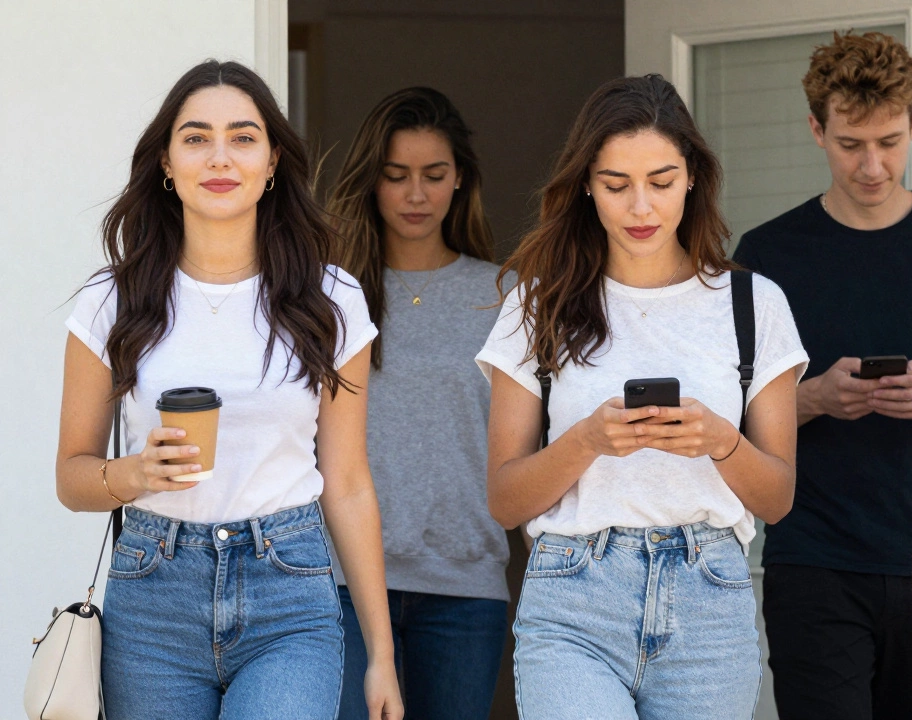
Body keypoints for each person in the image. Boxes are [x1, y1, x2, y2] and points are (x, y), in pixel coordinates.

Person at [55, 60, 402, 720]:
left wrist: (381, 653)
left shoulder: (331, 299)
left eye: (243, 137)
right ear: (165, 162)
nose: (220, 157)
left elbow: (349, 480)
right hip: (152, 597)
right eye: (196, 137)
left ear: (272, 162)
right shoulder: (113, 300)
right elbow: (72, 477)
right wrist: (133, 474)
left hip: (289, 594)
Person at [476, 74, 809, 718]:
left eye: (660, 181)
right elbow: (504, 498)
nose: (640, 208)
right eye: (615, 184)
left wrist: (721, 442)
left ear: (692, 178)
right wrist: (586, 442)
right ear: (586, 187)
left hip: (710, 598)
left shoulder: (753, 305)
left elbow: (777, 497)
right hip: (572, 597)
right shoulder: (537, 305)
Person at [732, 31, 912, 719]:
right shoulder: (767, 256)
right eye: (851, 144)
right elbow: (724, 421)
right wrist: (813, 398)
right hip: (813, 560)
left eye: (889, 140)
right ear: (816, 129)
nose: (873, 165)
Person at [326, 87, 509, 719]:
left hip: (465, 585)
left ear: (461, 179)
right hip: (342, 581)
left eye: (434, 175)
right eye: (396, 176)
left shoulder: (505, 295)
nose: (415, 195)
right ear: (371, 182)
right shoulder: (330, 296)